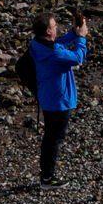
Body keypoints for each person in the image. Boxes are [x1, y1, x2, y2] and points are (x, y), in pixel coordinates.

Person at [28, 10, 89, 186]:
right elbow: (78, 58)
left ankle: (46, 174)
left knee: (50, 137)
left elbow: (58, 43)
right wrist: (81, 38)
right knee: (54, 139)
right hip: (60, 102)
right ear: (48, 31)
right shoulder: (54, 53)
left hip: (48, 99)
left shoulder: (37, 45)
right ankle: (47, 177)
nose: (57, 28)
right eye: (55, 26)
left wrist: (73, 33)